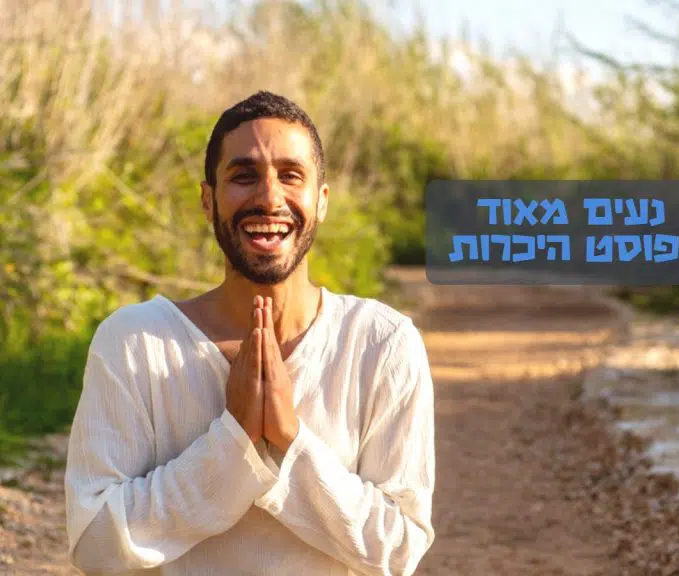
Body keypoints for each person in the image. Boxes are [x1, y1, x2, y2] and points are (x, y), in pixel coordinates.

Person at [64, 91, 436, 575]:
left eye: (291, 175)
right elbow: (95, 544)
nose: (269, 198)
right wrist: (232, 441)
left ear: (321, 201)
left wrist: (290, 438)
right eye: (243, 176)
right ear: (208, 200)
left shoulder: (383, 344)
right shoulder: (135, 343)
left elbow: (400, 547)